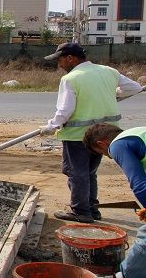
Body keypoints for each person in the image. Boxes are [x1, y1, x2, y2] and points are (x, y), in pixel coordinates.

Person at [41, 42, 142, 223]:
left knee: (76, 172)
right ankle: (92, 209)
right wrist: (113, 94)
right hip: (105, 135)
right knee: (89, 172)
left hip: (77, 135)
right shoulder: (108, 71)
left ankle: (81, 211)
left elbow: (65, 111)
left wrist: (51, 126)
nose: (59, 64)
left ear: (71, 58)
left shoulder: (71, 79)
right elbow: (135, 88)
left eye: (61, 60)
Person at [82, 123, 146, 276]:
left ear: (101, 144)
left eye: (103, 152)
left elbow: (139, 185)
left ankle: (126, 275)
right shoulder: (138, 132)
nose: (108, 154)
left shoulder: (118, 145)